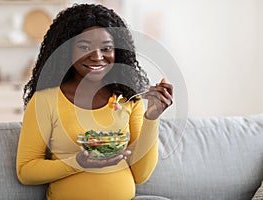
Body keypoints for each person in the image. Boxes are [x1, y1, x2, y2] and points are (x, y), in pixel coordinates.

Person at [16, 3, 173, 200]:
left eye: (106, 48)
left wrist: (152, 117)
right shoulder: (45, 100)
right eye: (84, 47)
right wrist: (78, 163)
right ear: (66, 50)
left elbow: (141, 174)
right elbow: (26, 171)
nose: (98, 57)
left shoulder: (126, 98)